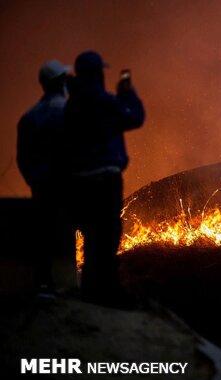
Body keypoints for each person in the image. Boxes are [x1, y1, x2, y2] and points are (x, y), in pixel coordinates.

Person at [62, 50, 145, 307]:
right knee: (108, 236)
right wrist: (127, 93)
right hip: (105, 181)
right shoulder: (104, 101)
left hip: (80, 182)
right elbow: (135, 117)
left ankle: (89, 290)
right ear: (98, 73)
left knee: (90, 237)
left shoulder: (71, 105)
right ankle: (108, 293)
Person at [17, 59, 72, 299]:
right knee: (74, 233)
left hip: (41, 186)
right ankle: (73, 283)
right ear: (60, 83)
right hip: (67, 184)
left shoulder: (29, 117)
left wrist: (34, 181)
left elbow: (22, 157)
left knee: (43, 234)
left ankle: (44, 285)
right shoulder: (70, 112)